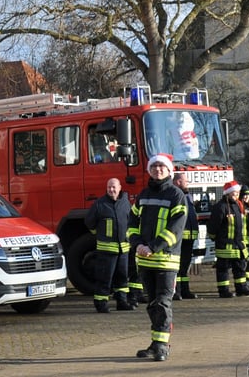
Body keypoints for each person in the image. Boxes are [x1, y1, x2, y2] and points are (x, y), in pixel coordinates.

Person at [128, 154, 189, 361]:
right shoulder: (143, 195)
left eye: (162, 166)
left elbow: (175, 229)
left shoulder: (176, 195)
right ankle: (156, 343)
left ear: (169, 170)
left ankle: (162, 345)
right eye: (154, 166)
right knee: (152, 304)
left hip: (166, 260)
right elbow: (132, 223)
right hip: (145, 260)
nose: (157, 169)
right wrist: (137, 245)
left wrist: (152, 247)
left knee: (163, 303)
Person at [85, 178, 132, 312]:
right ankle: (101, 304)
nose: (111, 190)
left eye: (113, 187)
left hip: (123, 248)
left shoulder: (125, 203)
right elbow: (89, 222)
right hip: (106, 249)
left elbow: (131, 222)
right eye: (109, 188)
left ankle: (122, 301)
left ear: (120, 188)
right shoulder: (100, 204)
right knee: (104, 278)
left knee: (122, 277)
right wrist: (100, 234)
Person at [207, 180, 249, 298]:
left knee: (240, 268)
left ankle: (241, 288)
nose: (236, 196)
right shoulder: (220, 207)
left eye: (238, 193)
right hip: (224, 246)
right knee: (223, 270)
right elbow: (213, 226)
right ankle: (223, 290)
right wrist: (215, 238)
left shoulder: (238, 205)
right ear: (227, 194)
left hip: (238, 245)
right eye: (234, 193)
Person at [172, 171, 199, 300]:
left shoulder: (187, 195)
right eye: (185, 181)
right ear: (178, 182)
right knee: (177, 265)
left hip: (189, 236)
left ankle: (185, 290)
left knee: (185, 266)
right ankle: (176, 291)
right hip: (180, 237)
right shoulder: (174, 195)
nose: (187, 183)